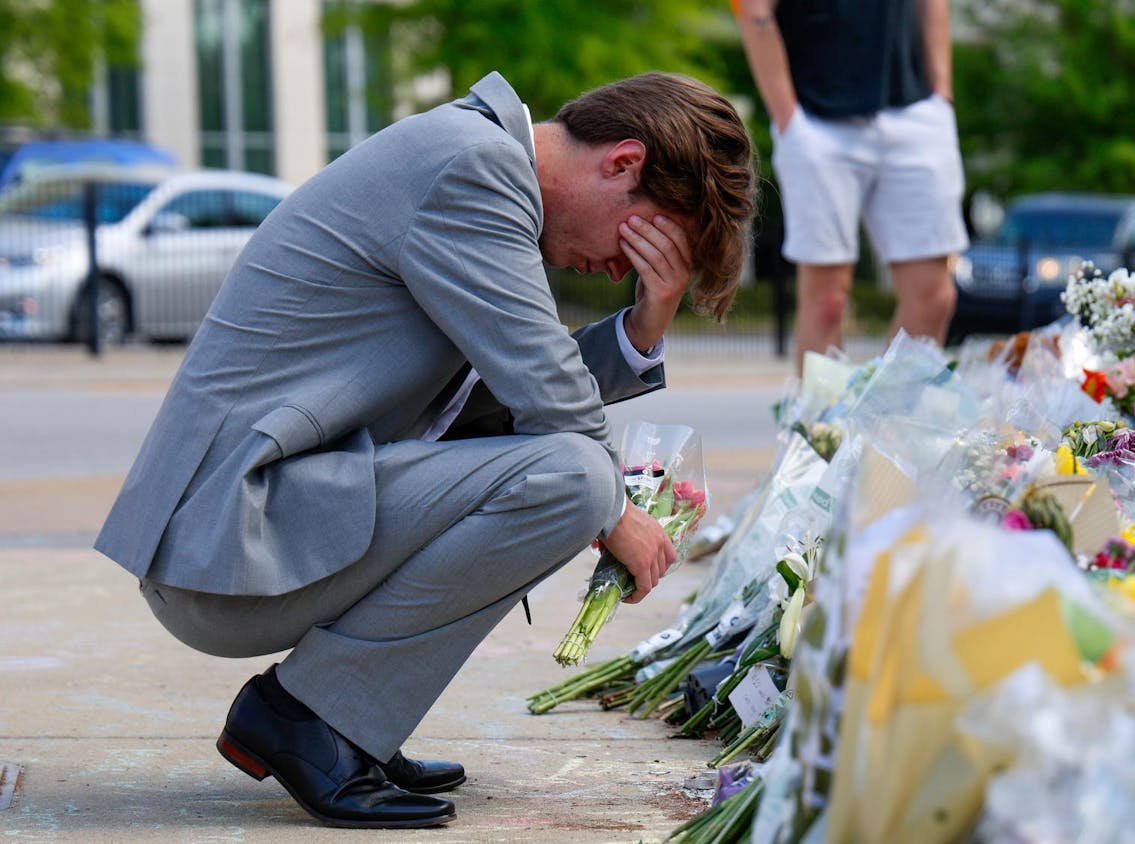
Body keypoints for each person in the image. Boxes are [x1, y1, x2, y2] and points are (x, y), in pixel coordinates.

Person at [94, 71, 755, 829]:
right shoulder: (472, 170)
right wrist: (619, 514)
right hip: (231, 542)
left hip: (261, 525)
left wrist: (645, 321)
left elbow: (487, 412)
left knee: (566, 475)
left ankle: (349, 718)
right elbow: (552, 404)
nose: (620, 269)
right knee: (574, 480)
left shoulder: (472, 161)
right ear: (623, 164)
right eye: (643, 243)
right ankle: (310, 716)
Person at [733, 0, 969, 371]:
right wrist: (787, 118)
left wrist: (942, 95)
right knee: (827, 304)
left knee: (935, 297)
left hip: (915, 109)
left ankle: (890, 424)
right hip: (817, 117)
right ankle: (825, 429)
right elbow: (753, 8)